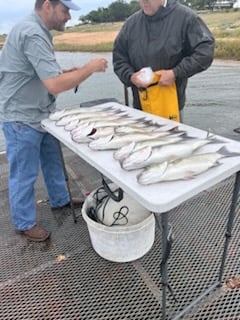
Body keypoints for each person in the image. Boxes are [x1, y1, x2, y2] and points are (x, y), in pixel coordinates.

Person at [0, 0, 108, 242]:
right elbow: (55, 85)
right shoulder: (32, 33)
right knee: (24, 173)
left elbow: (47, 75)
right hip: (21, 116)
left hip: (41, 113)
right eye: (65, 10)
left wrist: (72, 73)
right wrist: (89, 69)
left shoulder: (38, 31)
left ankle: (60, 199)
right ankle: (24, 222)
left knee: (52, 160)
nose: (68, 16)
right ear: (47, 5)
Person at [112, 0, 215, 121]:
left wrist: (176, 73)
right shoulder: (130, 24)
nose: (144, 1)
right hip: (140, 106)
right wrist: (130, 76)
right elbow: (119, 58)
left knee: (173, 138)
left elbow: (205, 52)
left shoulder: (187, 17)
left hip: (172, 105)